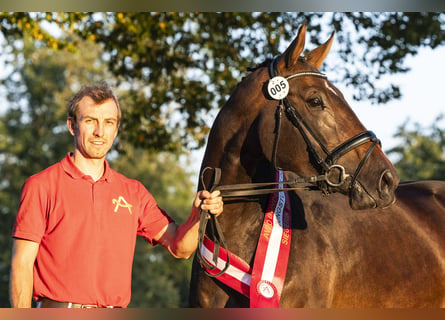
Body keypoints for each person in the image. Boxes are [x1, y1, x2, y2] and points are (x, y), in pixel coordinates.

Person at [9, 83, 223, 308]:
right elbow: (21, 264)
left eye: (108, 123)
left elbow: (181, 248)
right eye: (90, 121)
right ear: (72, 125)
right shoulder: (41, 185)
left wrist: (200, 215)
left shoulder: (133, 192)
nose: (100, 132)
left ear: (116, 128)